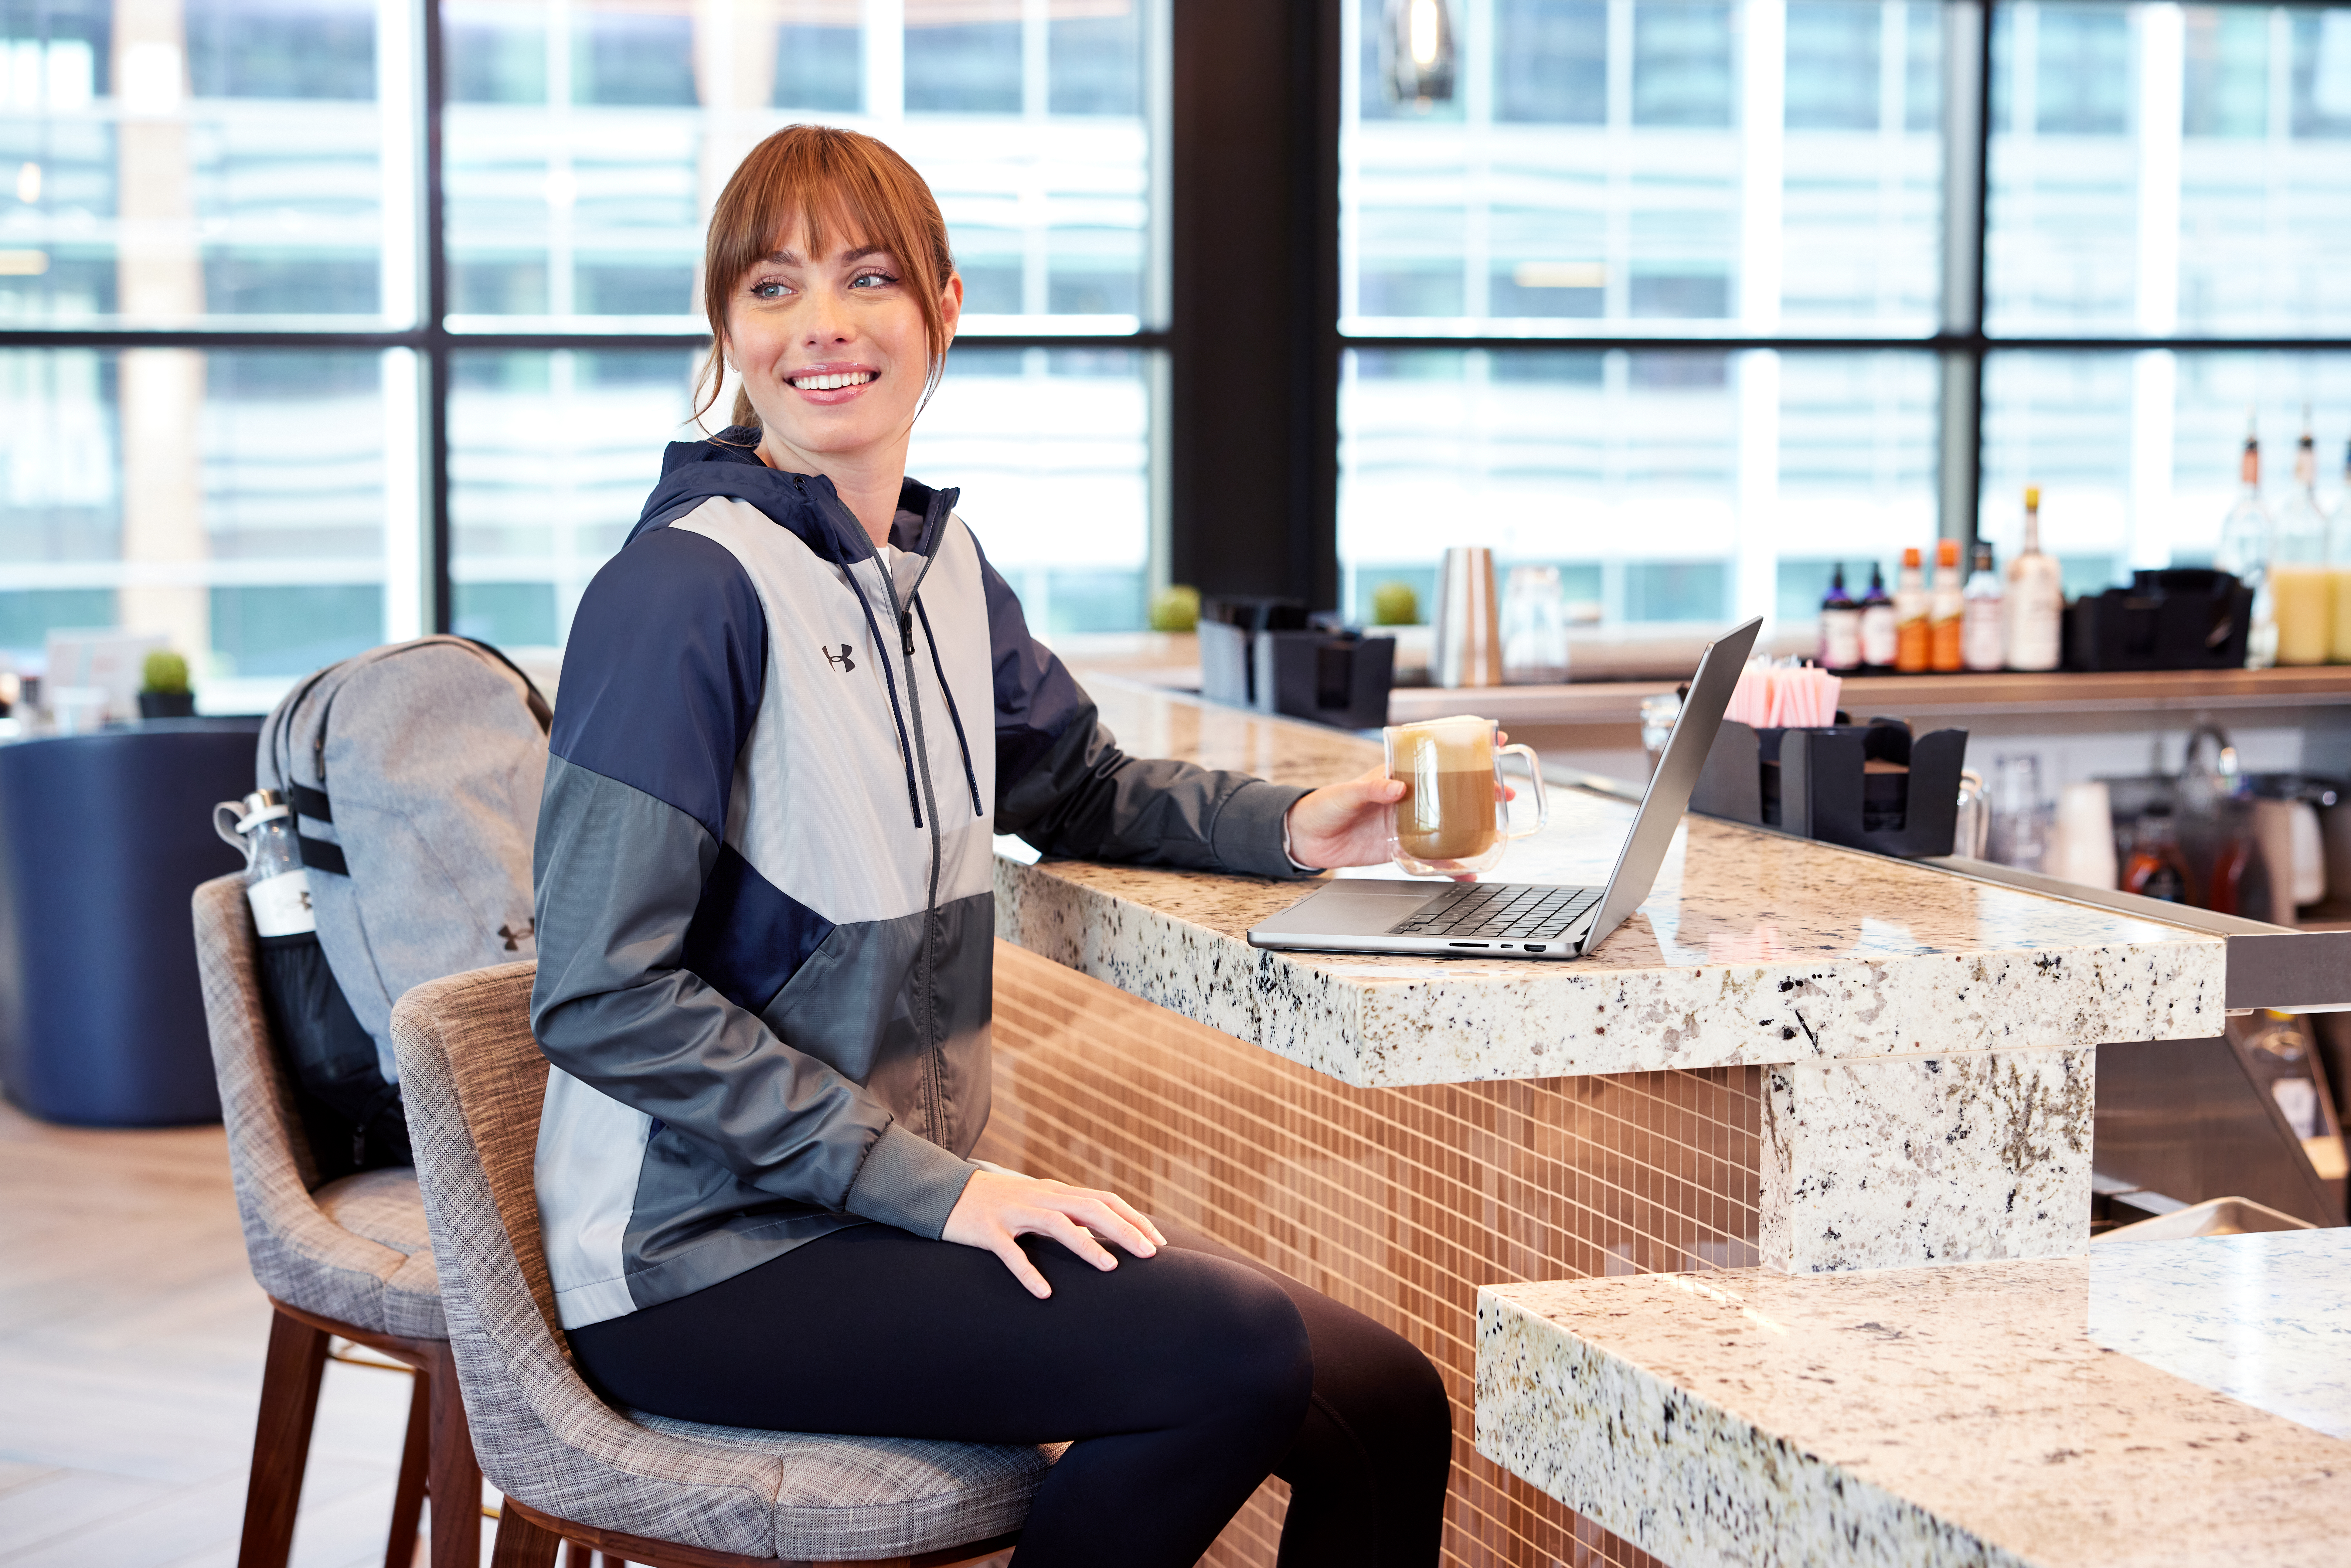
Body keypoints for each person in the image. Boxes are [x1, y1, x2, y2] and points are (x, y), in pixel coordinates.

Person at [531, 124, 1451, 1568]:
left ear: (943, 306)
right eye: (771, 289)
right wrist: (945, 1191)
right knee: (1235, 1359)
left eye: (868, 278)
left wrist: (1289, 824)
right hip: (705, 1257)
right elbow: (599, 991)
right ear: (726, 328)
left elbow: (1074, 785)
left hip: (877, 1207)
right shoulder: (680, 592)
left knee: (1387, 1400)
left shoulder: (940, 569)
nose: (821, 327)